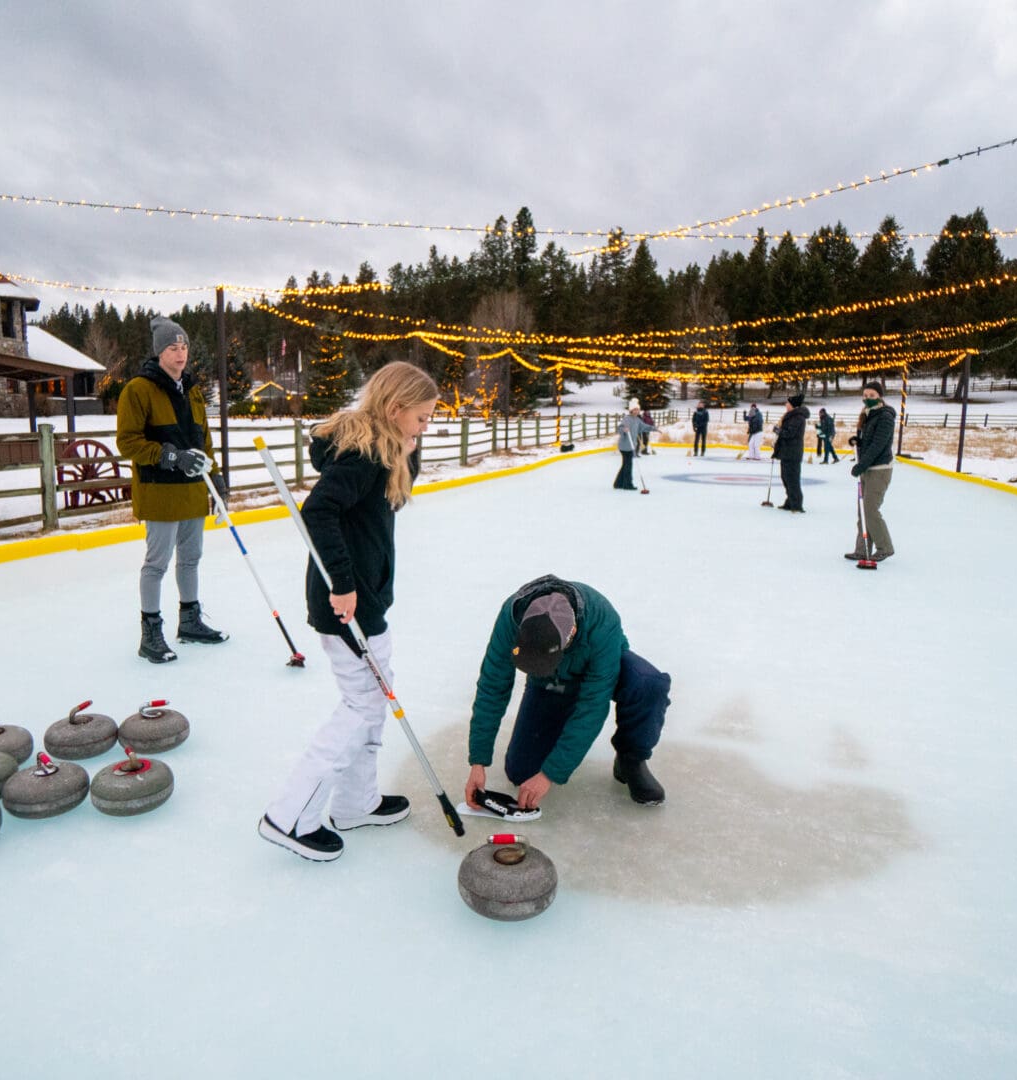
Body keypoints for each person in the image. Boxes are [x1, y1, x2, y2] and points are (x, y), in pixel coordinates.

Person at [259, 361, 441, 862]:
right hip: (348, 602)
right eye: (421, 419)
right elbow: (318, 512)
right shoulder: (363, 453)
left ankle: (357, 803)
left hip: (367, 596)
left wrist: (411, 450)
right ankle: (290, 815)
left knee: (372, 700)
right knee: (362, 704)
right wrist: (342, 584)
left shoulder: (386, 448)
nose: (426, 427)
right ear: (395, 407)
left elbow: (389, 503)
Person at [463, 575, 671, 813]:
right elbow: (492, 686)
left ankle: (630, 759)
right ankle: (556, 714)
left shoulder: (601, 620)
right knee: (521, 772)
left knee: (647, 684)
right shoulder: (512, 616)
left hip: (599, 675)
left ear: (571, 632)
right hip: (550, 683)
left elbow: (593, 705)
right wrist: (478, 761)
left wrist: (550, 774)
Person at [115, 315, 227, 664]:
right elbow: (128, 442)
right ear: (159, 352)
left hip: (193, 490)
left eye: (184, 347)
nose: (181, 354)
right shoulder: (138, 389)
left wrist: (217, 477)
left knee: (191, 559)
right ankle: (151, 633)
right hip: (159, 490)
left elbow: (203, 440)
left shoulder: (192, 390)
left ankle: (190, 622)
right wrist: (170, 456)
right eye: (172, 348)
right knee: (157, 564)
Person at [848, 380, 897, 562]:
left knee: (870, 509)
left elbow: (878, 445)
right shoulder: (867, 415)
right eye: (866, 396)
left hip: (879, 469)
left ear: (879, 397)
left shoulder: (885, 416)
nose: (868, 399)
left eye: (872, 396)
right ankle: (862, 549)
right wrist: (858, 442)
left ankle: (885, 547)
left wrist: (861, 464)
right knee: (862, 511)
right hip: (867, 468)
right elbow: (868, 442)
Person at [773, 393, 810, 512]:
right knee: (786, 478)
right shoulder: (791, 416)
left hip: (792, 452)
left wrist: (778, 431)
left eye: (787, 403)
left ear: (792, 405)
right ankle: (790, 501)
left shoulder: (797, 418)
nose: (785, 404)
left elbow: (789, 433)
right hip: (786, 451)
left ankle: (797, 504)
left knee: (792, 479)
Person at [613, 403, 658, 490]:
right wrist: (624, 429)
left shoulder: (637, 419)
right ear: (631, 410)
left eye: (638, 409)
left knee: (625, 465)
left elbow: (644, 426)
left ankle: (618, 483)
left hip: (631, 445)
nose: (637, 411)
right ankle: (627, 484)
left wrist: (654, 428)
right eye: (635, 409)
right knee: (628, 465)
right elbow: (619, 429)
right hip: (625, 446)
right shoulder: (627, 419)